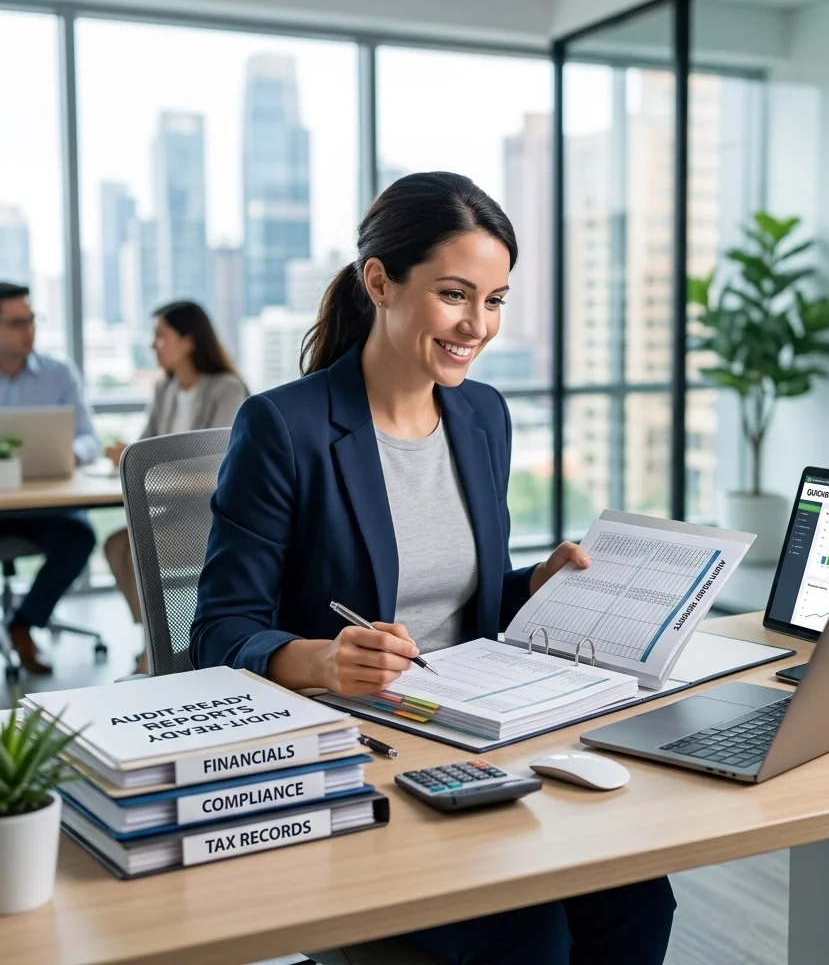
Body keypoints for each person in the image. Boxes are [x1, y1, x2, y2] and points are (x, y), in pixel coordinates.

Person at [191, 172, 676, 965]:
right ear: (379, 281)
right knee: (530, 933)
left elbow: (471, 602)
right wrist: (323, 658)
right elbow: (217, 632)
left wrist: (532, 586)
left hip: (485, 733)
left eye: (496, 300)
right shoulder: (285, 427)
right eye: (455, 294)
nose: (477, 325)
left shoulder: (483, 415)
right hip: (364, 755)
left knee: (638, 897)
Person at [104, 301, 248, 673]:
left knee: (133, 546)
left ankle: (154, 651)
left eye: (160, 336)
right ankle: (154, 641)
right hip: (175, 510)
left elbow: (222, 464)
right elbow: (145, 450)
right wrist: (125, 455)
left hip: (209, 516)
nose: (154, 346)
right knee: (116, 544)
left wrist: (167, 477)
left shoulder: (226, 388)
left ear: (187, 340)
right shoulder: (166, 389)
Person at [0, 281, 100, 676]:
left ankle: (24, 622)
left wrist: (68, 453)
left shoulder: (59, 375)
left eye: (31, 320)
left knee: (80, 534)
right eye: (17, 323)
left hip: (46, 503)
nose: (29, 330)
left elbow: (89, 437)